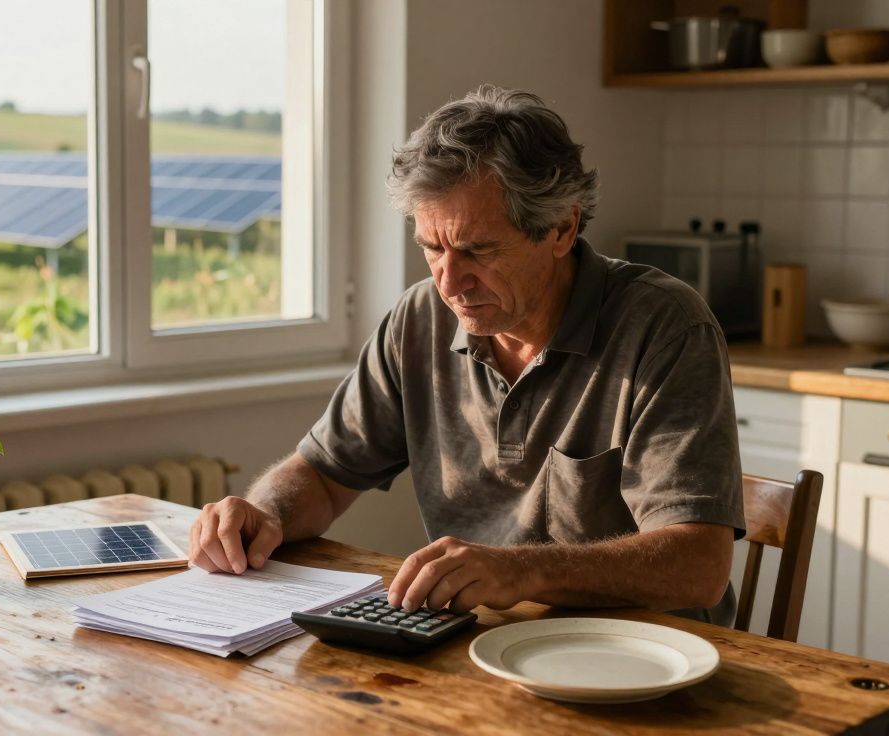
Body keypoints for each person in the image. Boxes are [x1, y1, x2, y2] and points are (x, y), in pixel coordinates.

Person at [188, 85, 745, 626]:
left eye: (477, 250)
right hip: (483, 647)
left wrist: (520, 573)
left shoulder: (665, 327)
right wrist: (265, 514)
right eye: (432, 248)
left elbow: (698, 566)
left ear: (561, 227)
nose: (449, 281)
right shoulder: (419, 319)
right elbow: (324, 474)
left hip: (652, 662)